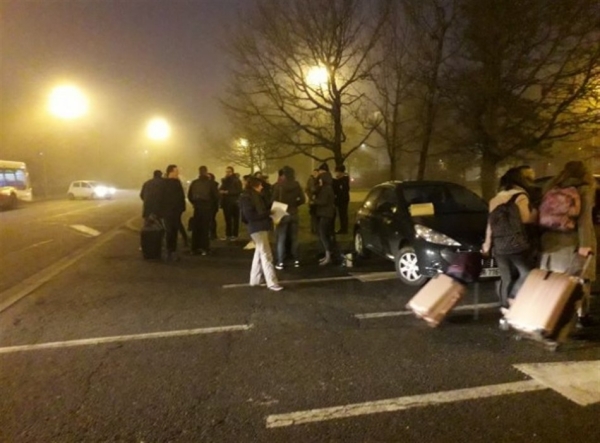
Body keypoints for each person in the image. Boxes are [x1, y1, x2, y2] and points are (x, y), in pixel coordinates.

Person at [539, 160, 596, 326]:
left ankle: (549, 316)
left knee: (554, 280)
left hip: (550, 240)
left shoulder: (551, 187)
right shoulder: (584, 188)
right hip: (572, 240)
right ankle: (581, 316)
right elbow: (584, 219)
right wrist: (586, 244)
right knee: (580, 278)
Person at [482, 167, 537, 310]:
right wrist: (536, 213)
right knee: (527, 273)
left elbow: (490, 223)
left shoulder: (495, 198)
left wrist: (487, 243)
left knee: (506, 277)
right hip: (517, 243)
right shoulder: (520, 196)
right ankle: (513, 297)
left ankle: (504, 307)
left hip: (499, 245)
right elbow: (525, 219)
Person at [239, 176, 283, 291]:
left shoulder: (255, 196)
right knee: (266, 255)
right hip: (256, 227)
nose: (262, 186)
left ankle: (255, 280)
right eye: (260, 185)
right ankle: (272, 282)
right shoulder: (248, 197)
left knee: (259, 253)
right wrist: (268, 213)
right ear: (255, 186)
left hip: (260, 227)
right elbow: (250, 215)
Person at [271, 166, 306, 269]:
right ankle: (296, 260)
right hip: (294, 212)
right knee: (294, 238)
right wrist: (295, 204)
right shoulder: (297, 185)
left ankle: (281, 261)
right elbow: (303, 199)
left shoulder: (279, 186)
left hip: (282, 212)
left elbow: (273, 199)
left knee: (281, 238)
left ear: (284, 175)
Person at [188, 166, 219, 255]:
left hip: (197, 207)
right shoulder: (210, 183)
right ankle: (205, 247)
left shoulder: (194, 183)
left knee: (196, 227)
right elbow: (216, 196)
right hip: (207, 207)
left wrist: (194, 203)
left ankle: (194, 247)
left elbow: (190, 195)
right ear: (206, 172)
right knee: (205, 228)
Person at [160, 164, 186, 261]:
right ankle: (170, 250)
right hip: (169, 211)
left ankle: (172, 250)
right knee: (170, 231)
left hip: (175, 211)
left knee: (173, 231)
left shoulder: (175, 183)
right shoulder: (166, 183)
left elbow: (181, 197)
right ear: (171, 172)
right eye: (176, 171)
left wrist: (181, 208)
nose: (178, 173)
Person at [313, 163, 337, 265]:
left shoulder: (326, 188)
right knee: (326, 234)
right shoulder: (327, 187)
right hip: (327, 213)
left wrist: (315, 201)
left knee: (323, 234)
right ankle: (328, 255)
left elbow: (323, 201)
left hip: (326, 213)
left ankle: (328, 256)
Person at [219, 166, 242, 240]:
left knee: (235, 219)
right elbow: (220, 188)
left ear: (232, 172)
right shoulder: (224, 180)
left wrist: (228, 192)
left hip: (234, 202)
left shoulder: (236, 180)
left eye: (229, 171)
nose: (227, 173)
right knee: (227, 219)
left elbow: (239, 190)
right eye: (226, 171)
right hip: (226, 202)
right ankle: (228, 234)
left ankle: (235, 235)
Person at [333, 164, 350, 234]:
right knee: (342, 214)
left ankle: (344, 229)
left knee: (343, 214)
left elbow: (341, 191)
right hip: (342, 200)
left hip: (343, 200)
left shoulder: (343, 181)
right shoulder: (343, 180)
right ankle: (343, 228)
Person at [305, 169, 319, 234]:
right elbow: (307, 189)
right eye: (314, 172)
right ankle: (313, 229)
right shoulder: (311, 180)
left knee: (316, 215)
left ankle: (315, 229)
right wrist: (311, 196)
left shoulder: (319, 180)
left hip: (317, 200)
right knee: (313, 215)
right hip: (312, 201)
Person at [207, 172, 219, 240]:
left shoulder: (213, 185)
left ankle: (213, 234)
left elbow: (216, 196)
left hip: (212, 205)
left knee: (211, 219)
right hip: (210, 205)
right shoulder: (211, 185)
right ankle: (211, 233)